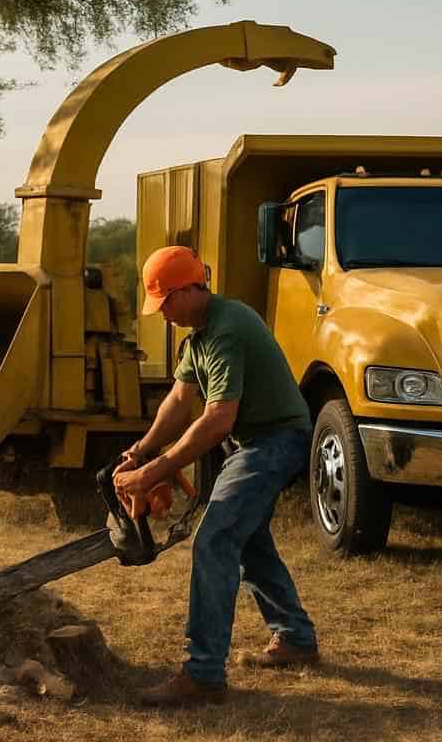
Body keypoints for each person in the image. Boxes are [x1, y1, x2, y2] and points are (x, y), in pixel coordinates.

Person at [112, 245, 319, 707]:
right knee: (246, 537)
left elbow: (218, 419)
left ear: (189, 289)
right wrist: (142, 450)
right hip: (257, 441)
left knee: (215, 538)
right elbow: (180, 402)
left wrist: (156, 471)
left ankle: (203, 673)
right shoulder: (201, 335)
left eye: (165, 303)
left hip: (276, 439)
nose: (161, 314)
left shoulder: (228, 328)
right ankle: (296, 638)